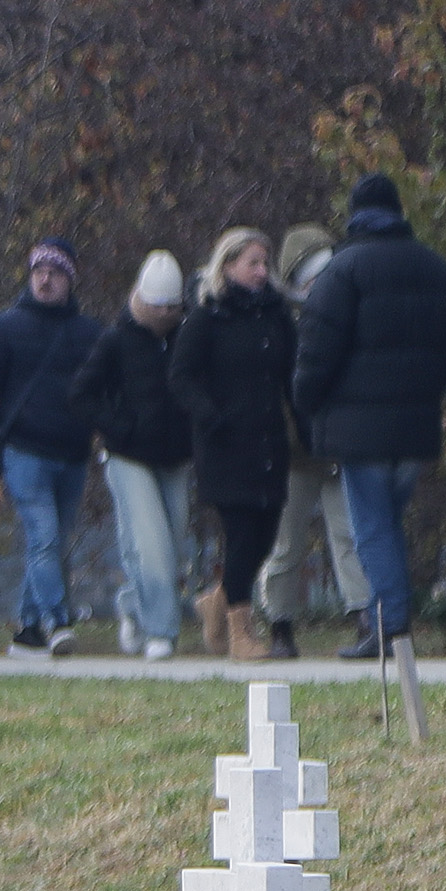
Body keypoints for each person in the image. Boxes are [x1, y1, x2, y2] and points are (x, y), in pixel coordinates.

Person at [292, 172, 446, 665]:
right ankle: (388, 616)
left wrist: (306, 402)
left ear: (354, 214)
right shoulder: (437, 269)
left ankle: (391, 627)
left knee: (373, 528)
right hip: (418, 426)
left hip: (361, 432)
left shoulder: (342, 271)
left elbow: (317, 351)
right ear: (399, 212)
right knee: (389, 523)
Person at [0, 238, 103, 655]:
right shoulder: (5, 327)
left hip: (73, 454)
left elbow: (105, 391)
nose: (46, 279)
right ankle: (58, 622)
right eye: (39, 270)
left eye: (56, 272)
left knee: (54, 541)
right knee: (43, 537)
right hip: (23, 453)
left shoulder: (90, 333)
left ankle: (28, 631)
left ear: (70, 280)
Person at [168, 228, 298, 662]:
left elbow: (292, 379)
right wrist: (208, 414)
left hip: (269, 442)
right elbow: (181, 376)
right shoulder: (207, 317)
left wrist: (305, 426)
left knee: (264, 535)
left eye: (266, 263)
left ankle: (217, 599)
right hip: (224, 443)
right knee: (241, 534)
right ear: (227, 267)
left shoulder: (277, 317)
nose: (262, 272)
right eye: (252, 263)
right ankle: (242, 630)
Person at [70, 251, 195, 657]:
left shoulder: (187, 336)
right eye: (155, 306)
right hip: (127, 456)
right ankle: (161, 632)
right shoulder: (116, 339)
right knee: (150, 542)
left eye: (170, 307)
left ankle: (131, 603)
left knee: (173, 543)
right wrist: (119, 428)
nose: (162, 314)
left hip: (177, 455)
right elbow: (81, 394)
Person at [255, 222, 363, 660]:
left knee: (351, 537)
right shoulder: (280, 322)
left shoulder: (351, 313)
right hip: (295, 452)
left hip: (340, 446)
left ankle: (364, 619)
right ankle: (280, 625)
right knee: (286, 543)